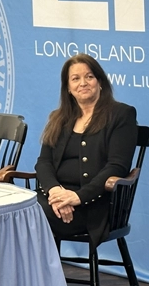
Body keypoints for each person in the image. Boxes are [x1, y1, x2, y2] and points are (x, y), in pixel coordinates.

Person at [35, 53, 138, 249]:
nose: (83, 83)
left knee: (32, 217)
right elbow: (44, 162)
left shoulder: (121, 114)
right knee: (20, 210)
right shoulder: (59, 118)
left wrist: (77, 197)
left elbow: (117, 166)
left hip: (93, 206)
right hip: (54, 199)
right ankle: (38, 277)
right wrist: (56, 192)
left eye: (89, 76)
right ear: (68, 88)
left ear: (100, 81)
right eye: (75, 78)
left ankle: (40, 278)